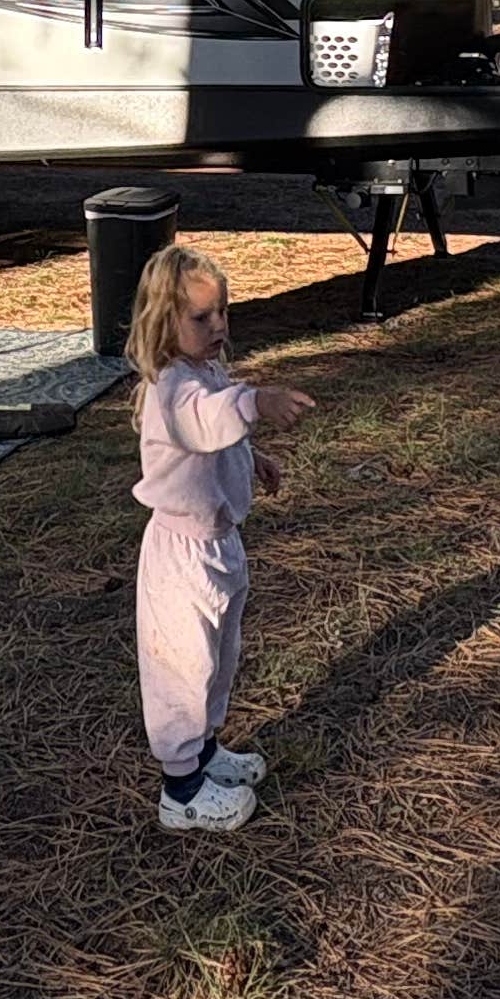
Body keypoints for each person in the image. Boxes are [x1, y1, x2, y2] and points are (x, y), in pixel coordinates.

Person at [127, 241, 313, 835]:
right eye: (201, 317)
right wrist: (257, 402)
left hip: (218, 542)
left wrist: (251, 456)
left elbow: (217, 435)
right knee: (181, 666)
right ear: (163, 322)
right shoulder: (171, 389)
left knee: (216, 657)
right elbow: (206, 419)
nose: (218, 327)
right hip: (181, 556)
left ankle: (205, 753)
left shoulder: (205, 372)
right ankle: (180, 789)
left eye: (223, 312)